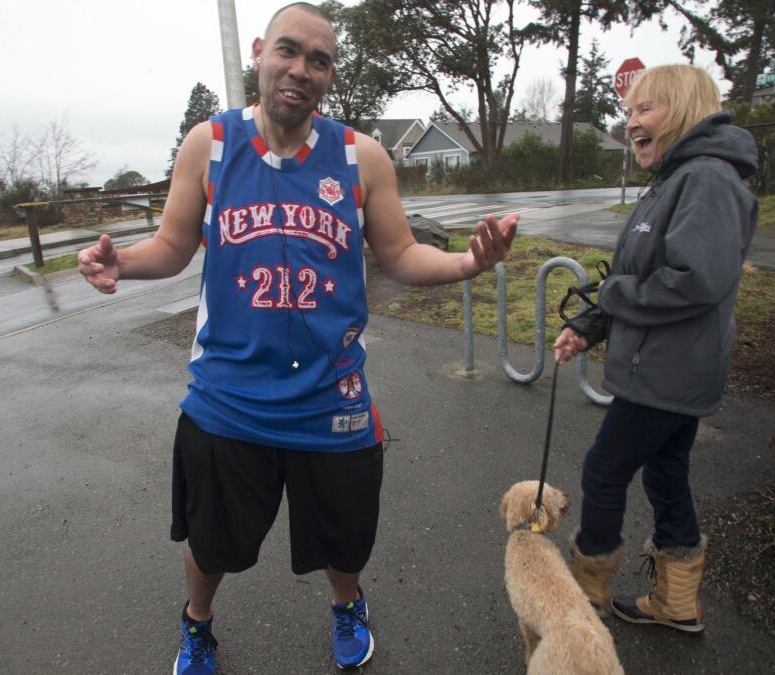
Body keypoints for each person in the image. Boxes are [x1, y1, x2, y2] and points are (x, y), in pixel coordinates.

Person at [78, 3, 518, 671]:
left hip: (330, 398)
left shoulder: (359, 156)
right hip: (228, 399)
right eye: (289, 51)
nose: (301, 70)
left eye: (319, 60)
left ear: (330, 74)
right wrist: (123, 263)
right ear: (259, 52)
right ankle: (197, 624)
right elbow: (172, 244)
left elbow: (399, 253)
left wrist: (467, 264)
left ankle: (347, 605)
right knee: (211, 538)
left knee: (345, 537)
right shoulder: (211, 144)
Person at [552, 64, 758, 634]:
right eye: (630, 112)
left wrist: (612, 295)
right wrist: (591, 324)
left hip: (669, 370)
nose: (631, 123)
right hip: (671, 367)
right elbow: (634, 272)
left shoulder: (707, 180)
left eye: (646, 110)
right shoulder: (672, 180)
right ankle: (677, 601)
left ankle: (584, 599)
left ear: (685, 111)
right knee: (665, 472)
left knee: (603, 469)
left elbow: (696, 278)